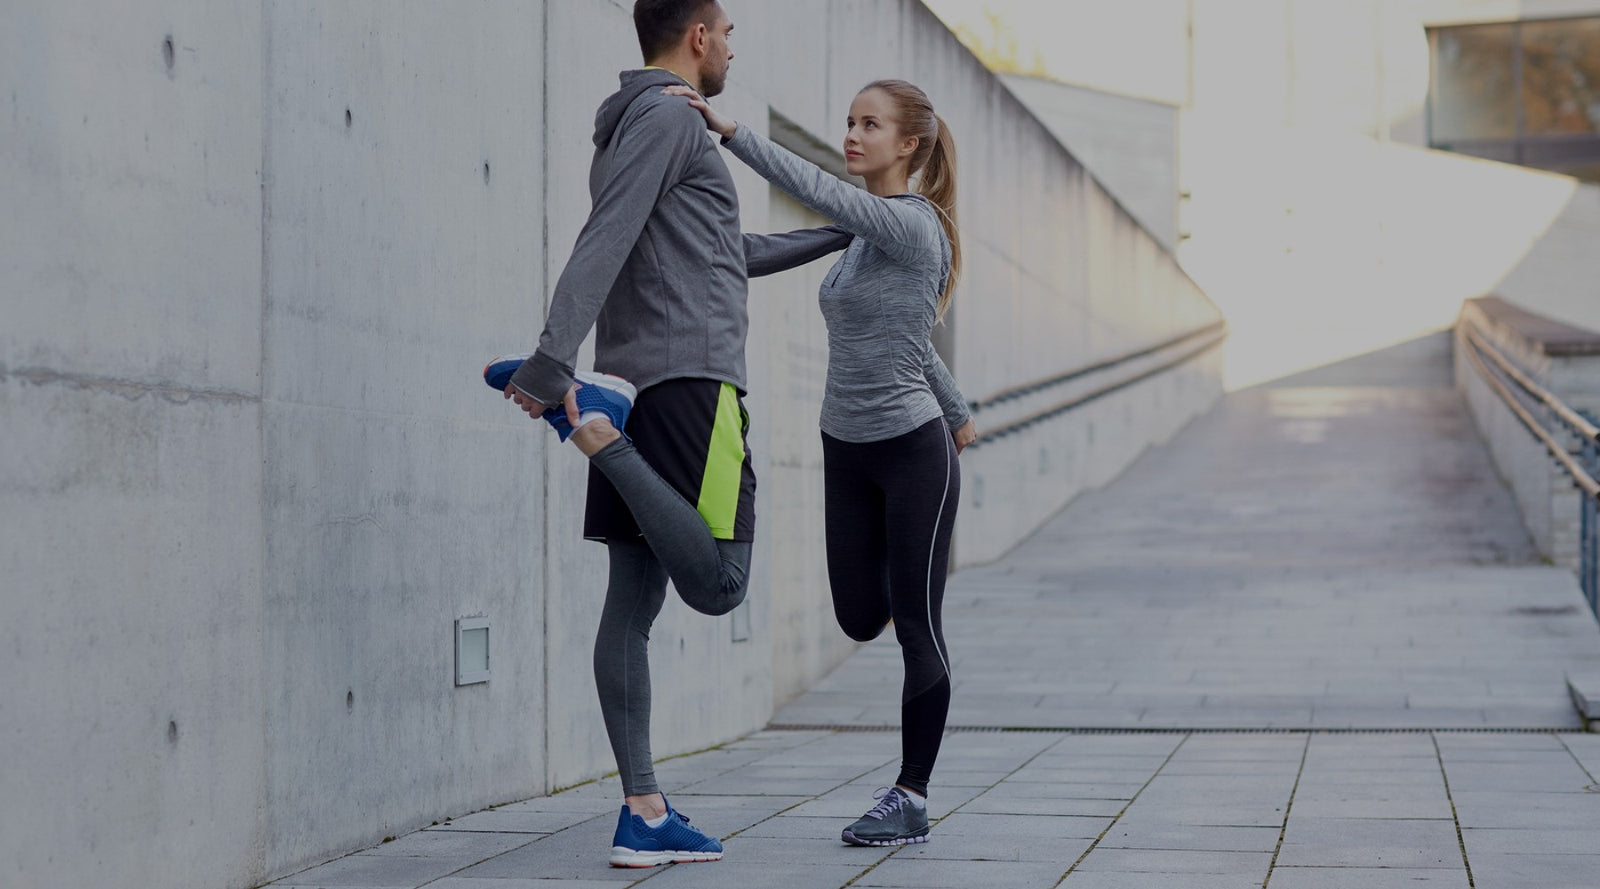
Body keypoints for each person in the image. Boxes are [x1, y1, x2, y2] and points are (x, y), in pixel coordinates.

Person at [489, 0, 850, 868]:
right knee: (722, 583)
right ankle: (594, 432)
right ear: (697, 36)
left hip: (637, 382)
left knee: (635, 601)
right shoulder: (668, 116)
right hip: (689, 388)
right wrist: (549, 365)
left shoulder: (638, 127)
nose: (731, 48)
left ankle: (643, 812)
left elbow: (721, 250)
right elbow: (603, 240)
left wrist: (841, 232)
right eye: (727, 33)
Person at [665, 78, 978, 846]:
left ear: (908, 145)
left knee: (917, 626)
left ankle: (911, 793)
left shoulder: (909, 223)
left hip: (910, 450)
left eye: (870, 125)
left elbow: (814, 190)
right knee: (857, 613)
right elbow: (906, 334)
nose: (851, 134)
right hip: (845, 444)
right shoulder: (869, 236)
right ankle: (913, 586)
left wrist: (732, 132)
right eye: (848, 121)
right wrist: (963, 407)